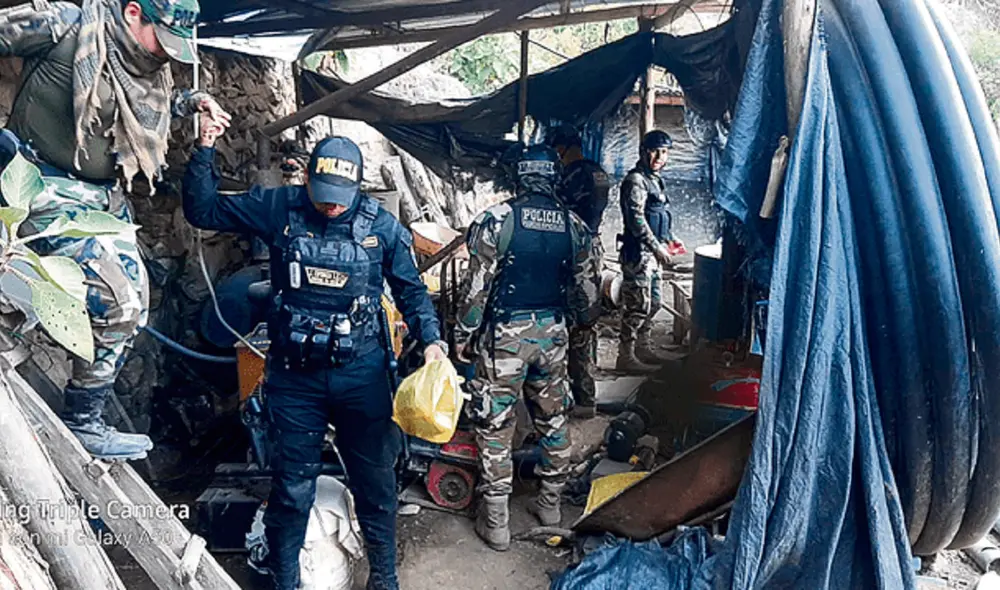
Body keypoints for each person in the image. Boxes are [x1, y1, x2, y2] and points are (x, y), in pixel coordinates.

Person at [183, 120, 446, 590]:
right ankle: (288, 582)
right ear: (306, 178)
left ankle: (384, 578)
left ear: (357, 187)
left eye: (339, 196)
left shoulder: (381, 227)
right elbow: (202, 209)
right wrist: (204, 148)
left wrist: (431, 341)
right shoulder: (279, 207)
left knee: (376, 486)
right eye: (321, 191)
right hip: (295, 378)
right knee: (291, 491)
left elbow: (412, 291)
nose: (329, 204)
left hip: (361, 376)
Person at [0, 0, 231, 460]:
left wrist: (191, 104)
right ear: (131, 13)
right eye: (162, 40)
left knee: (136, 304)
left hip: (101, 197)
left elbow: (135, 101)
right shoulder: (66, 25)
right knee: (119, 300)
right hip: (42, 183)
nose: (166, 55)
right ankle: (82, 419)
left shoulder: (144, 65)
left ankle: (81, 410)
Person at [456, 144, 601, 551]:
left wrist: (463, 338)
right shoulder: (573, 226)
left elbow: (475, 292)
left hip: (504, 337)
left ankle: (497, 523)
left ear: (518, 177)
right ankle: (550, 506)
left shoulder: (495, 221)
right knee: (553, 419)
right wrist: (580, 329)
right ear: (553, 178)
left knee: (495, 424)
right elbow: (587, 293)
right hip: (552, 335)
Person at [547, 124, 611, 417]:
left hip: (573, 253)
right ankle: (586, 396)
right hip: (592, 248)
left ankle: (577, 399)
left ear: (563, 148)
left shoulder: (571, 176)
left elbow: (559, 213)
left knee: (571, 328)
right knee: (586, 323)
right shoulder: (597, 171)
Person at [616, 130, 684, 373]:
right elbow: (636, 220)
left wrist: (671, 239)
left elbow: (659, 214)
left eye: (664, 152)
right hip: (639, 255)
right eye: (655, 151)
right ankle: (625, 356)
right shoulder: (636, 180)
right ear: (644, 151)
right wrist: (657, 248)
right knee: (637, 305)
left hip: (653, 254)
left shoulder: (655, 179)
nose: (659, 157)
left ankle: (643, 346)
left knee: (654, 303)